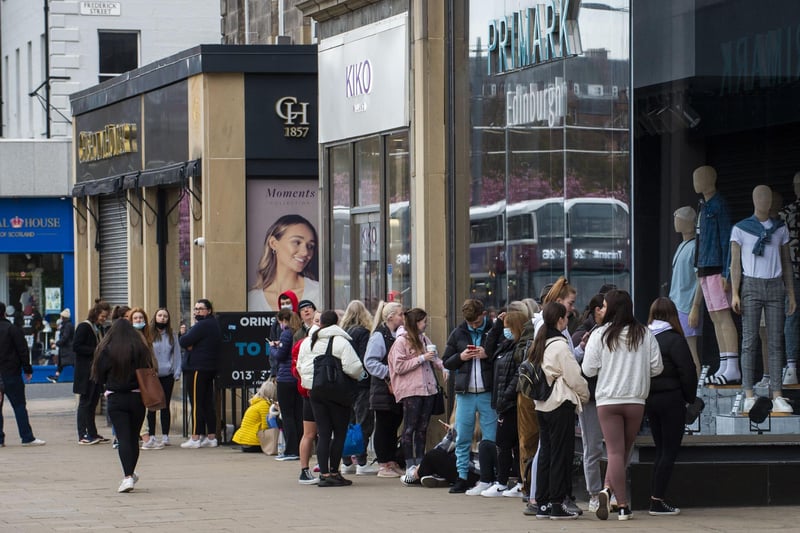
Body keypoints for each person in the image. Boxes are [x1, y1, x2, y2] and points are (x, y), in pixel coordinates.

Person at [582, 290, 663, 521]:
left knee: (615, 452)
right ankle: (609, 491)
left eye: (605, 306)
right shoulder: (644, 334)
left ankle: (623, 505)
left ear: (614, 308)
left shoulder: (600, 335)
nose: (602, 309)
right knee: (624, 451)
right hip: (636, 399)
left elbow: (588, 370)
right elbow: (657, 367)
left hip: (608, 400)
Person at [731, 185, 796, 413]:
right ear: (753, 199)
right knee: (749, 341)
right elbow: (735, 264)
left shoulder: (780, 228)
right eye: (759, 196)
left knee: (776, 341)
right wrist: (735, 292)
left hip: (775, 284)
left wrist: (791, 293)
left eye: (767, 197)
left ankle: (777, 393)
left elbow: (786, 262)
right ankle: (748, 393)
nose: (764, 201)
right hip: (751, 284)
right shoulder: (740, 229)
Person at [528, 302, 589, 520]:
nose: (568, 321)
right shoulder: (560, 345)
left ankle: (542, 503)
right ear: (560, 320)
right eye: (566, 317)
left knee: (545, 453)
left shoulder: (540, 343)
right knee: (560, 455)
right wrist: (585, 394)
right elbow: (574, 376)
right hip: (560, 403)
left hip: (542, 405)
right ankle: (557, 504)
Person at [296, 310, 365, 487]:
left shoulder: (308, 342)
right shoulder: (341, 341)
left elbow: (300, 366)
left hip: (315, 392)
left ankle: (324, 474)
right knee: (339, 432)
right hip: (337, 392)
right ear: (337, 322)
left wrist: (310, 383)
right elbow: (354, 367)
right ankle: (335, 471)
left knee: (324, 433)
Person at [646, 297, 697, 516]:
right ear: (672, 315)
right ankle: (657, 500)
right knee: (669, 450)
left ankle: (655, 497)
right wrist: (689, 398)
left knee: (660, 450)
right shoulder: (675, 340)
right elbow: (688, 371)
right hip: (672, 400)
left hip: (650, 400)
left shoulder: (645, 338)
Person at [689, 165, 740, 385]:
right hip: (704, 267)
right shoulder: (703, 206)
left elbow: (727, 240)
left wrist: (727, 271)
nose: (696, 181)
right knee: (715, 317)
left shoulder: (718, 205)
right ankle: (725, 363)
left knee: (723, 315)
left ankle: (733, 366)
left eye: (699, 177)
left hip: (716, 267)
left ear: (712, 178)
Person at [91, 319, 152, 493]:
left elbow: (99, 376)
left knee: (123, 437)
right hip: (137, 398)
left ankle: (127, 477)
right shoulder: (140, 349)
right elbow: (148, 370)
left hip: (116, 398)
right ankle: (130, 473)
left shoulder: (105, 350)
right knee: (133, 438)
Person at [443, 299, 497, 494]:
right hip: (465, 393)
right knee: (462, 436)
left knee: (490, 438)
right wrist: (461, 357)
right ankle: (462, 476)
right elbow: (446, 362)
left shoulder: (492, 330)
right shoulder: (458, 333)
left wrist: (487, 354)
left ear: (483, 314)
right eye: (470, 323)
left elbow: (503, 356)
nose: (473, 326)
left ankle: (489, 477)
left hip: (487, 391)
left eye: (476, 322)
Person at [389, 307, 445, 479]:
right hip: (411, 389)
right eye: (423, 321)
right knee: (410, 428)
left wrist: (444, 367)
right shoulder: (401, 342)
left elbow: (434, 358)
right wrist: (421, 358)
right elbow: (398, 366)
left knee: (422, 427)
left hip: (427, 389)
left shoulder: (424, 339)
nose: (425, 324)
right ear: (415, 322)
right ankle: (409, 464)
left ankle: (420, 463)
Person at [481, 310, 528, 497]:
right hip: (503, 401)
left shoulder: (519, 348)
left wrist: (506, 397)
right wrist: (496, 327)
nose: (506, 330)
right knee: (507, 443)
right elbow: (489, 350)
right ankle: (508, 481)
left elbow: (518, 375)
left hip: (511, 403)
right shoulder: (506, 345)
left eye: (508, 327)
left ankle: (508, 481)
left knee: (507, 443)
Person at [570, 292, 606, 512]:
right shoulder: (584, 334)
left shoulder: (615, 331)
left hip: (609, 396)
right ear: (596, 310)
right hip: (592, 398)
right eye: (603, 307)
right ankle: (594, 493)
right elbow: (580, 369)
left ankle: (608, 490)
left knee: (612, 448)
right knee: (592, 447)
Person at [363, 300, 406, 478]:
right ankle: (383, 463)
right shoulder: (379, 336)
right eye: (400, 314)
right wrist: (390, 372)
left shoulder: (395, 335)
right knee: (383, 424)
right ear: (390, 317)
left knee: (393, 423)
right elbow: (369, 361)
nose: (403, 317)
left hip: (395, 389)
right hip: (383, 389)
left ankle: (391, 459)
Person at [339, 299, 379, 475]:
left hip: (345, 384)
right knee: (363, 422)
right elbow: (364, 359)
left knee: (347, 422)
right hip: (361, 384)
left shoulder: (342, 333)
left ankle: (346, 461)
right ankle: (361, 461)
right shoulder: (363, 333)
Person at [248, 214, 319, 311]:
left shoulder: (319, 293)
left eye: (310, 246)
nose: (305, 252)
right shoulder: (252, 300)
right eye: (297, 242)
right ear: (274, 244)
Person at [0, 301, 46, 447]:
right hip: (11, 373)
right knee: (19, 405)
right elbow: (22, 350)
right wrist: (27, 369)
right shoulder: (12, 329)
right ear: (5, 313)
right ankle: (26, 437)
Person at [179, 299, 222, 448]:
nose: (197, 311)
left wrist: (183, 334)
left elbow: (184, 342)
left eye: (200, 309)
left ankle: (195, 437)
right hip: (208, 368)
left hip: (198, 368)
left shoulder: (203, 325)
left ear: (209, 310)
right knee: (206, 402)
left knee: (197, 402)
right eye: (195, 309)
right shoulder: (213, 324)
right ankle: (211, 436)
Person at [141, 308, 181, 448]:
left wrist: (176, 371)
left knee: (165, 405)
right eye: (160, 315)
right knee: (152, 406)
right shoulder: (149, 334)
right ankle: (151, 435)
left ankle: (165, 435)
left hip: (167, 374)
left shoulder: (172, 335)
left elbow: (176, 354)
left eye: (165, 316)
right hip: (153, 375)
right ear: (155, 317)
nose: (162, 318)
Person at [74, 298, 111, 445]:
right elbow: (76, 347)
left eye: (106, 316)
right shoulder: (84, 327)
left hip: (95, 372)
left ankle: (93, 433)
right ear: (95, 314)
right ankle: (82, 434)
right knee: (85, 403)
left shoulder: (99, 328)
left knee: (93, 402)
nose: (104, 319)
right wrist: (96, 350)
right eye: (102, 316)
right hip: (85, 372)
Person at [670, 206, 702, 374]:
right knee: (680, 351)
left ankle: (696, 391)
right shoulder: (682, 245)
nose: (675, 221)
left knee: (691, 350)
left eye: (678, 218)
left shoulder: (695, 247)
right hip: (676, 306)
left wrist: (695, 307)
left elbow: (701, 281)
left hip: (687, 307)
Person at [294, 309, 321, 484]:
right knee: (310, 433)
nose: (318, 323)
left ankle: (324, 468)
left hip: (316, 392)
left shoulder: (333, 341)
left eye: (321, 320)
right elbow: (295, 369)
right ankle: (305, 469)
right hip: (311, 393)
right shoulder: (303, 343)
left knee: (322, 433)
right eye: (317, 320)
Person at [273, 307, 303, 461]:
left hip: (285, 379)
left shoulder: (286, 333)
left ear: (283, 320)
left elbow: (280, 356)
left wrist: (273, 348)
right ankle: (299, 449)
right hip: (297, 378)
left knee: (287, 415)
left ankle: (290, 450)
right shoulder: (298, 332)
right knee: (298, 414)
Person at [779, 172, 800, 385]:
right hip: (791, 274)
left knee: (792, 317)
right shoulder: (785, 214)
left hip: (791, 273)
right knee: (791, 318)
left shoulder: (785, 213)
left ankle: (792, 366)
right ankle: (791, 366)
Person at [233, 380, 277, 453]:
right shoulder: (264, 405)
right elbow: (265, 426)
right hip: (253, 442)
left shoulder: (256, 403)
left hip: (245, 441)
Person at [48, 308, 75, 383]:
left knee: (73, 363)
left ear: (63, 317)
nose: (60, 318)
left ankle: (80, 377)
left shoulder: (67, 326)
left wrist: (57, 343)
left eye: (61, 317)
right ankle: (56, 377)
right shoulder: (66, 325)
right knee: (61, 363)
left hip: (68, 349)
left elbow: (65, 337)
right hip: (65, 348)